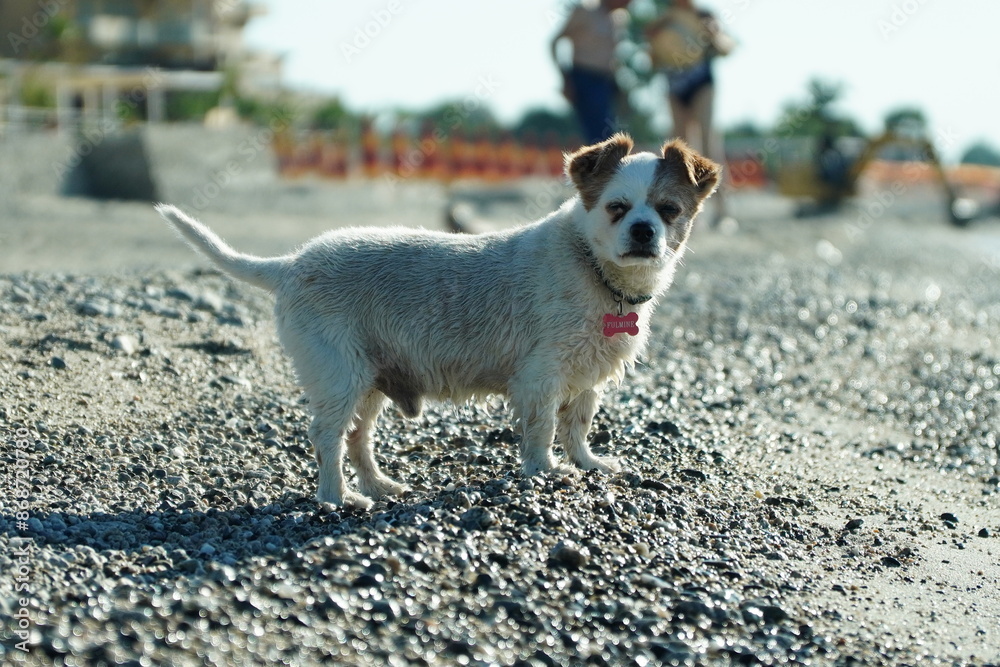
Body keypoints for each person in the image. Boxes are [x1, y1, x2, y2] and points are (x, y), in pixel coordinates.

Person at [647, 0, 734, 226]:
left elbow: (726, 47)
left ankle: (723, 211)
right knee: (679, 150)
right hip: (675, 87)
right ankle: (683, 215)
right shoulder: (664, 19)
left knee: (708, 144)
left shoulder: (705, 14)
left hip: (701, 84)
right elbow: (653, 61)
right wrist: (653, 41)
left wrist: (713, 34)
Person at [552, 0, 631, 144]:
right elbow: (555, 42)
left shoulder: (619, 18)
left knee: (608, 131)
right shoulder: (584, 11)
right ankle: (598, 165)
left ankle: (601, 164)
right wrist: (565, 79)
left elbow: (613, 55)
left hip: (606, 82)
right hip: (584, 78)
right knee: (599, 133)